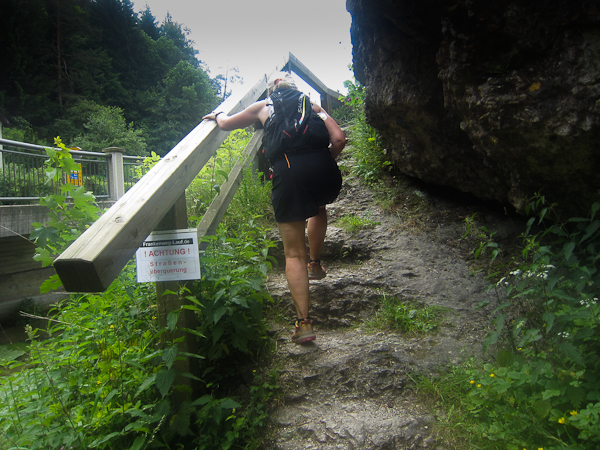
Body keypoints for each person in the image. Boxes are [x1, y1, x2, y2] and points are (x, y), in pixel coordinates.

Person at [202, 72, 346, 344]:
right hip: (324, 170)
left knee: (293, 253)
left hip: (289, 173)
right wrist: (324, 162)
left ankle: (304, 324)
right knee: (318, 205)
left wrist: (218, 115)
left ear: (271, 91)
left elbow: (226, 124)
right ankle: (315, 264)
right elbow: (339, 139)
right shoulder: (312, 105)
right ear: (295, 89)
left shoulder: (263, 106)